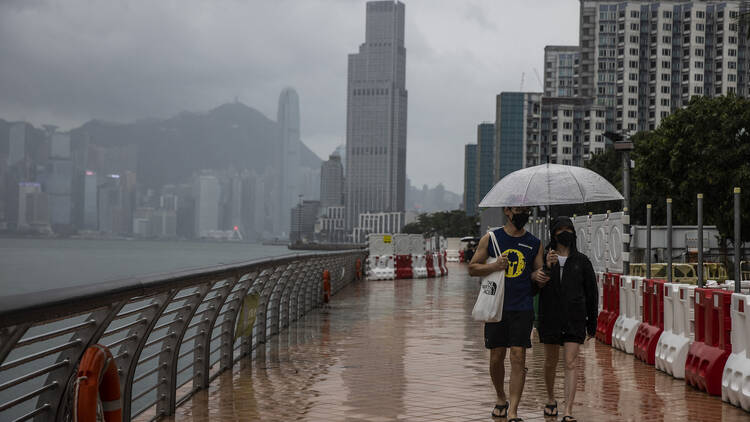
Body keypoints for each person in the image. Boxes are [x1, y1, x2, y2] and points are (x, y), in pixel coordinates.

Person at [469, 206, 549, 421]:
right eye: (519, 210)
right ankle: (500, 397)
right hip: (497, 306)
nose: (523, 214)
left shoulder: (535, 243)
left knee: (518, 355)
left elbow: (537, 272)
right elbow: (472, 268)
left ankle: (513, 410)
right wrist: (495, 265)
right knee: (496, 357)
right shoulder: (491, 238)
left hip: (522, 307)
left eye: (527, 210)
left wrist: (540, 276)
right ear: (507, 211)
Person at [537, 217, 598, 422]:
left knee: (571, 363)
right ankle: (551, 398)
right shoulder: (544, 258)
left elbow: (592, 294)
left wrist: (592, 324)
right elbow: (534, 288)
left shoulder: (583, 261)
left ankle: (568, 410)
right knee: (550, 362)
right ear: (553, 233)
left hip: (575, 318)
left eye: (568, 229)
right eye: (560, 229)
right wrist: (546, 267)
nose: (565, 233)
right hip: (550, 317)